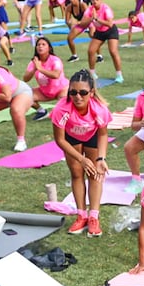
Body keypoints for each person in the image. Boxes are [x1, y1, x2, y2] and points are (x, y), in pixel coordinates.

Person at [51, 70, 112, 237]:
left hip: (92, 136)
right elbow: (60, 140)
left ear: (91, 93)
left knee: (94, 174)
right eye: (73, 92)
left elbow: (103, 134)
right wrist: (81, 159)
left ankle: (94, 217)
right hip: (71, 138)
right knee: (77, 173)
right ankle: (81, 215)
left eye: (83, 92)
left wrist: (101, 158)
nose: (78, 97)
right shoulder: (61, 109)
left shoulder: (99, 110)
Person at [81, 0, 124, 85]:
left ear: (101, 0)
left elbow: (110, 24)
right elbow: (83, 23)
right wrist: (91, 18)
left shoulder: (106, 8)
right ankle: (92, 74)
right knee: (91, 51)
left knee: (113, 51)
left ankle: (119, 75)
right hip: (100, 32)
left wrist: (97, 19)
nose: (95, 1)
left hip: (111, 31)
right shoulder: (90, 9)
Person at [25, 36, 67, 119]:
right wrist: (34, 69)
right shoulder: (34, 62)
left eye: (43, 44)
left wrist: (40, 68)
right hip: (45, 92)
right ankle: (41, 112)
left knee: (61, 109)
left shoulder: (55, 60)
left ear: (49, 48)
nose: (40, 46)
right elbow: (25, 78)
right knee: (24, 95)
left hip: (61, 90)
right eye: (38, 44)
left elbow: (56, 75)